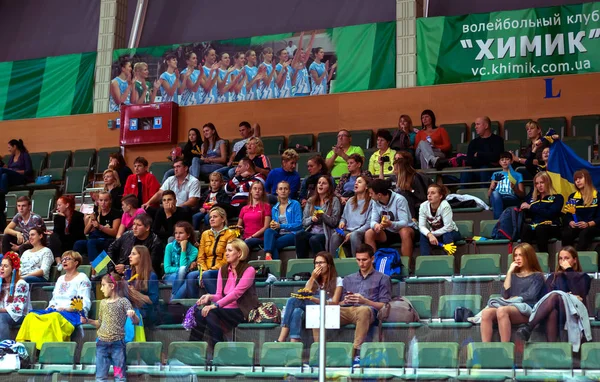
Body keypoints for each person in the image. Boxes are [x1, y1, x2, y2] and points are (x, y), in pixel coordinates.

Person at [16, 251, 92, 350]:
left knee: (54, 317)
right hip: (55, 311)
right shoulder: (60, 279)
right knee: (31, 316)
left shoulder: (82, 278)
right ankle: (25, 348)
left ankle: (48, 349)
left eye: (68, 259)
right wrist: (51, 306)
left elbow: (84, 302)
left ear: (76, 262)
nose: (64, 261)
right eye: (63, 259)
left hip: (72, 314)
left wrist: (67, 308)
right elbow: (54, 299)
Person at [189, 239, 258, 346]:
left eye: (230, 250)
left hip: (242, 310)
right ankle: (192, 349)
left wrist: (214, 306)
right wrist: (209, 297)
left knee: (210, 312)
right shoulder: (223, 269)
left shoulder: (249, 270)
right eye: (226, 250)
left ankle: (219, 347)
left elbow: (236, 293)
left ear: (239, 253)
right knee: (201, 313)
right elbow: (219, 295)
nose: (226, 253)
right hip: (225, 310)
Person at [518, 246, 591, 343]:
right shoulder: (553, 277)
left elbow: (581, 293)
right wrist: (566, 295)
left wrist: (569, 270)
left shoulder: (583, 277)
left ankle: (529, 327)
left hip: (574, 311)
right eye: (561, 258)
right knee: (552, 310)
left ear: (574, 260)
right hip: (557, 310)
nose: (563, 261)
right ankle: (552, 349)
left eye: (567, 258)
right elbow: (544, 298)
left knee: (556, 295)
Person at [83, 273, 143, 382]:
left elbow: (136, 321)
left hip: (117, 345)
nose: (101, 289)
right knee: (100, 377)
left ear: (112, 286)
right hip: (102, 344)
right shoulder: (103, 303)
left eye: (103, 285)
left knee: (120, 377)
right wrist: (88, 320)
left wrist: (133, 315)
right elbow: (99, 323)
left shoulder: (123, 301)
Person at [480, 243, 545, 342]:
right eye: (515, 255)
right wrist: (509, 272)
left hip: (528, 309)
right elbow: (505, 295)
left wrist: (514, 298)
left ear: (529, 256)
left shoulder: (537, 276)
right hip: (511, 307)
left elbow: (531, 295)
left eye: (521, 255)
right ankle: (485, 348)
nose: (517, 258)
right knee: (486, 313)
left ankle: (505, 348)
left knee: (502, 310)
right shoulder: (513, 276)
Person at [340, 244, 391, 365]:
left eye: (364, 260)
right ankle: (319, 351)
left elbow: (385, 305)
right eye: (358, 260)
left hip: (369, 312)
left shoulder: (383, 278)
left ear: (372, 259)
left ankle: (356, 353)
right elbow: (340, 302)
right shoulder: (348, 279)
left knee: (363, 310)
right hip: (348, 310)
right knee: (321, 311)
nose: (361, 263)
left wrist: (365, 301)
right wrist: (345, 301)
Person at [277, 251, 342, 342]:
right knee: (296, 308)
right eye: (316, 263)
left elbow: (335, 302)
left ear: (329, 265)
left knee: (294, 304)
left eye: (321, 263)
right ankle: (293, 343)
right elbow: (305, 293)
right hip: (310, 308)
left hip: (327, 308)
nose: (318, 265)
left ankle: (282, 340)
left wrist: (316, 300)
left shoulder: (338, 280)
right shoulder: (312, 280)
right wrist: (312, 278)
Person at [187, 207, 237, 296]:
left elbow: (227, 258)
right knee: (190, 276)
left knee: (207, 275)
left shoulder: (230, 234)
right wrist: (204, 270)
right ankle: (195, 306)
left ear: (223, 219)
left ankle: (218, 302)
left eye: (215, 217)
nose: (212, 219)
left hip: (223, 269)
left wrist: (210, 270)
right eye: (210, 217)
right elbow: (201, 256)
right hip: (206, 269)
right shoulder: (205, 234)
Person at [365, 179, 416, 258]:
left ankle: (407, 266)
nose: (369, 195)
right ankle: (373, 264)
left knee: (404, 231)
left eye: (371, 193)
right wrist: (376, 225)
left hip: (406, 229)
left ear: (379, 195)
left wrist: (391, 224)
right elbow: (373, 221)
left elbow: (404, 222)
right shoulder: (375, 201)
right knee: (369, 233)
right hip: (389, 231)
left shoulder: (399, 199)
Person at [295, 176, 341, 258]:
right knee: (299, 235)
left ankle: (324, 261)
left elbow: (334, 222)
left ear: (329, 186)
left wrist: (322, 215)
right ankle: (301, 262)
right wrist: (312, 219)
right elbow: (304, 222)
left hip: (326, 233)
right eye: (319, 183)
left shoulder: (334, 200)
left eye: (324, 183)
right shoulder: (310, 201)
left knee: (314, 239)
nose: (320, 185)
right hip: (312, 231)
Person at [107, 214, 164, 279]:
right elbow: (111, 248)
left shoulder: (156, 242)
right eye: (134, 224)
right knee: (97, 279)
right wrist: (111, 270)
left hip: (142, 277)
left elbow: (151, 266)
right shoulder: (127, 235)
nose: (134, 228)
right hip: (119, 274)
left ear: (147, 228)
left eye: (139, 225)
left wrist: (126, 268)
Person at [520, 172, 564, 253]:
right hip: (535, 226)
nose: (539, 186)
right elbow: (528, 214)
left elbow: (550, 213)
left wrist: (531, 207)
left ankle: (543, 258)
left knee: (540, 229)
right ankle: (525, 257)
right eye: (537, 183)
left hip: (551, 226)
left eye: (542, 183)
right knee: (525, 228)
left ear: (548, 182)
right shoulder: (533, 199)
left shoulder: (557, 197)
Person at [330, 176, 373, 257]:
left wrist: (353, 233)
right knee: (335, 235)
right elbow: (343, 217)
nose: (356, 183)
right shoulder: (350, 201)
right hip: (348, 230)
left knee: (354, 235)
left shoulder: (371, 202)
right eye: (356, 182)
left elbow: (369, 224)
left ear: (366, 186)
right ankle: (333, 262)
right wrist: (342, 222)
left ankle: (356, 262)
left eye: (359, 182)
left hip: (361, 231)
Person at [75, 191, 121, 265]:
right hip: (96, 239)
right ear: (98, 201)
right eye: (101, 200)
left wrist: (100, 227)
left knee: (91, 242)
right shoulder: (96, 213)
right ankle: (75, 266)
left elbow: (115, 232)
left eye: (105, 200)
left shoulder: (116, 213)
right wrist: (92, 220)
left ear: (110, 201)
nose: (103, 203)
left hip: (108, 240)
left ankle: (95, 269)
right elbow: (85, 232)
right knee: (79, 243)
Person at [264, 181, 303, 261]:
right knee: (268, 231)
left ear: (289, 191)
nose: (283, 191)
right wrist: (273, 226)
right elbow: (276, 226)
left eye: (285, 189)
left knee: (274, 244)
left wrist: (281, 226)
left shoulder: (295, 204)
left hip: (293, 234)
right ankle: (268, 254)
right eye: (280, 189)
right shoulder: (274, 208)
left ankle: (273, 263)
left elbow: (299, 224)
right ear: (277, 191)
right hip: (280, 234)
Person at [561, 170, 600, 250]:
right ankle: (567, 256)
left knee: (585, 233)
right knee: (566, 233)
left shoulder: (597, 195)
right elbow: (567, 215)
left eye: (580, 178)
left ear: (587, 179)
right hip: (577, 226)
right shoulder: (572, 197)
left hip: (593, 226)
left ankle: (578, 258)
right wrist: (570, 222)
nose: (577, 181)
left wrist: (588, 224)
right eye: (575, 179)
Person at [418, 184, 461, 256]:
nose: (429, 195)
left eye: (433, 193)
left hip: (452, 232)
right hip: (434, 234)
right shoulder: (423, 206)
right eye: (428, 193)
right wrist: (429, 234)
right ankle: (425, 260)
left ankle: (448, 261)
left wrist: (431, 234)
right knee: (423, 235)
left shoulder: (445, 206)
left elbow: (448, 227)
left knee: (446, 235)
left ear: (440, 196)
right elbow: (421, 226)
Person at [461, 116, 504, 187]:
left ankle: (485, 195)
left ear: (486, 126)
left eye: (478, 124)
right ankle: (462, 196)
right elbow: (469, 160)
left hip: (491, 171)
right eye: (475, 124)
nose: (475, 127)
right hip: (476, 170)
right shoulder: (473, 142)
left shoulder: (497, 140)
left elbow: (496, 157)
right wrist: (487, 157)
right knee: (465, 171)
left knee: (484, 169)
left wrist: (478, 155)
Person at [390, 151, 432, 219]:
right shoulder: (393, 178)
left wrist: (410, 190)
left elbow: (423, 197)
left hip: (415, 205)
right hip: (397, 207)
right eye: (395, 159)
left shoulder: (416, 177)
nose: (396, 162)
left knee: (405, 194)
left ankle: (411, 220)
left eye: (400, 160)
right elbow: (381, 186)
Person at [163, 222, 198, 300]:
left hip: (183, 277)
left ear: (188, 235)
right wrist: (182, 271)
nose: (177, 236)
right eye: (176, 233)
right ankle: (174, 301)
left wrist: (183, 249)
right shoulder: (169, 247)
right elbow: (167, 269)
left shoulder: (194, 250)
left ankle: (173, 299)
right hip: (170, 276)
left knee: (187, 281)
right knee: (183, 273)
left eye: (181, 233)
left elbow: (183, 266)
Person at [0, 252, 30, 341]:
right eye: (1, 265)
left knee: (0, 317)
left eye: (5, 266)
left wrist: (1, 310)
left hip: (20, 315)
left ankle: (5, 347)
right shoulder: (1, 283)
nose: (1, 268)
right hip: (3, 313)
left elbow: (18, 308)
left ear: (13, 269)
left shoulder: (21, 284)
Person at [49, 195, 86, 264]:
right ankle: (58, 262)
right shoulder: (58, 217)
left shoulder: (78, 216)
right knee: (53, 236)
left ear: (67, 205)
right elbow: (57, 232)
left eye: (59, 205)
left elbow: (78, 233)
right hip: (63, 241)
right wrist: (62, 218)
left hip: (74, 240)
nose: (57, 208)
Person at [128, 245, 159, 325]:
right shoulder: (130, 275)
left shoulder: (151, 276)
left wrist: (134, 292)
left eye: (133, 254)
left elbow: (153, 301)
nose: (129, 256)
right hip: (131, 309)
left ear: (141, 257)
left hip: (145, 312)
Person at [488, 152, 525, 219]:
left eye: (507, 159)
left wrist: (514, 188)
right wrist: (492, 187)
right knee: (495, 194)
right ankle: (500, 222)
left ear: (511, 161)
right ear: (499, 162)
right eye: (502, 160)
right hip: (497, 197)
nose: (504, 161)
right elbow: (489, 195)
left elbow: (522, 195)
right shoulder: (495, 174)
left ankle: (498, 222)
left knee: (496, 199)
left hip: (510, 198)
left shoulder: (518, 175)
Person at [237, 182, 271, 251]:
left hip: (259, 238)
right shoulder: (244, 208)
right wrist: (239, 229)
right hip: (245, 238)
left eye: (260, 189)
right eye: (255, 189)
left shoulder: (266, 206)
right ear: (251, 191)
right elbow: (238, 226)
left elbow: (266, 227)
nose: (257, 191)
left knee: (247, 243)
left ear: (262, 192)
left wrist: (252, 236)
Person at [291, 31, 316, 97]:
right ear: (295, 56)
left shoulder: (303, 63)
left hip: (307, 92)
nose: (303, 54)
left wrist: (313, 35)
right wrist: (302, 35)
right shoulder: (294, 64)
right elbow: (299, 49)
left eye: (303, 53)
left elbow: (309, 47)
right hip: (298, 93)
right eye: (301, 53)